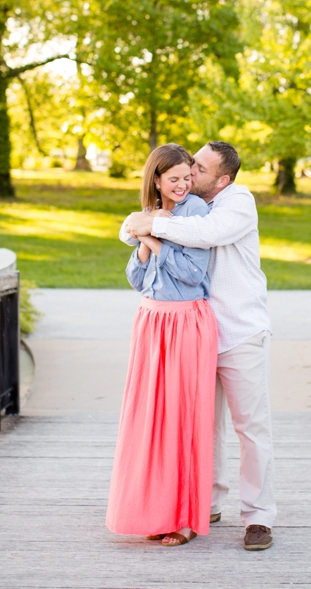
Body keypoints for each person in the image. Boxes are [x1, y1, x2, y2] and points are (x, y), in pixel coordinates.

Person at [121, 140, 276, 552]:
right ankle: (206, 502)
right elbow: (132, 228)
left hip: (241, 333)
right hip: (198, 332)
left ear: (223, 179)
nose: (191, 171)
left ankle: (259, 517)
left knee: (251, 428)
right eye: (189, 165)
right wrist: (141, 224)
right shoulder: (189, 205)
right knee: (203, 426)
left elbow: (207, 236)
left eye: (200, 168)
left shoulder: (237, 203)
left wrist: (148, 225)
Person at [106, 143, 218, 547]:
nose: (184, 185)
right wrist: (143, 237)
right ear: (156, 179)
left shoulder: (197, 214)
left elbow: (191, 274)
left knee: (181, 422)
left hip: (186, 322)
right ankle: (154, 512)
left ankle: (183, 518)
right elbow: (137, 280)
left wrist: (153, 238)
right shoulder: (148, 214)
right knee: (149, 422)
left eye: (188, 178)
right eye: (174, 180)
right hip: (151, 321)